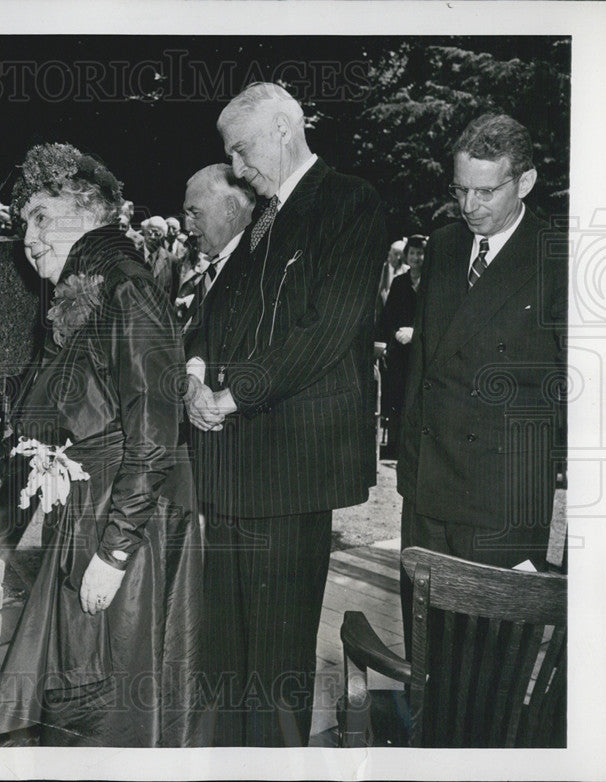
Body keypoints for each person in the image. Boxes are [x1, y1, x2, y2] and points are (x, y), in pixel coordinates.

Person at [0, 143, 203, 747]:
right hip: (94, 513)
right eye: (25, 221)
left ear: (90, 212)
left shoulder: (128, 290)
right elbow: (54, 420)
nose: (28, 237)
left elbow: (155, 434)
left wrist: (116, 551)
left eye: (43, 217)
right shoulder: (90, 290)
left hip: (131, 524)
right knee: (73, 686)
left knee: (104, 697)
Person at [184, 82, 386, 746]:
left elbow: (329, 331)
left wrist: (232, 392)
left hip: (293, 472)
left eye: (240, 151)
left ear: (280, 130)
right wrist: (193, 374)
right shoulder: (264, 216)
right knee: (225, 649)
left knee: (275, 662)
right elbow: (214, 313)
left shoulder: (349, 203)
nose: (236, 170)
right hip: (235, 471)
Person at [397, 114, 567, 654]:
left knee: (485, 672)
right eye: (460, 189)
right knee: (427, 658)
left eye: (486, 191)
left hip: (501, 505)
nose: (470, 206)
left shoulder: (558, 257)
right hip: (427, 495)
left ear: (526, 182)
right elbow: (425, 365)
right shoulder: (446, 246)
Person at [175, 163, 254, 339]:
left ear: (230, 209)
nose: (187, 226)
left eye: (195, 213)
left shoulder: (257, 271)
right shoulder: (217, 268)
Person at [374, 234, 427, 459]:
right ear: (406, 255)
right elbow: (388, 316)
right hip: (398, 349)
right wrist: (395, 334)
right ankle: (395, 444)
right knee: (397, 396)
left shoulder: (431, 283)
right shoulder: (399, 282)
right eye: (412, 253)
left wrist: (416, 333)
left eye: (420, 253)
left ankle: (415, 445)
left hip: (421, 349)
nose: (416, 257)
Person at [139, 215, 179, 293]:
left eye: (157, 234)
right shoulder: (132, 255)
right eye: (149, 233)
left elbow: (173, 291)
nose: (152, 237)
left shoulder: (172, 260)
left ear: (164, 236)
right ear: (144, 233)